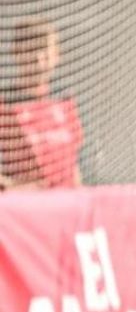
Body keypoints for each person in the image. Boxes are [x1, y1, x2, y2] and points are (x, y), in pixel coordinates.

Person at [0, 18, 81, 191]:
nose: (38, 58)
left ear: (57, 54)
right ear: (16, 52)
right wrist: (15, 188)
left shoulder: (64, 102)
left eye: (44, 49)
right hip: (25, 211)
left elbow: (73, 167)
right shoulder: (5, 105)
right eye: (32, 49)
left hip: (67, 207)